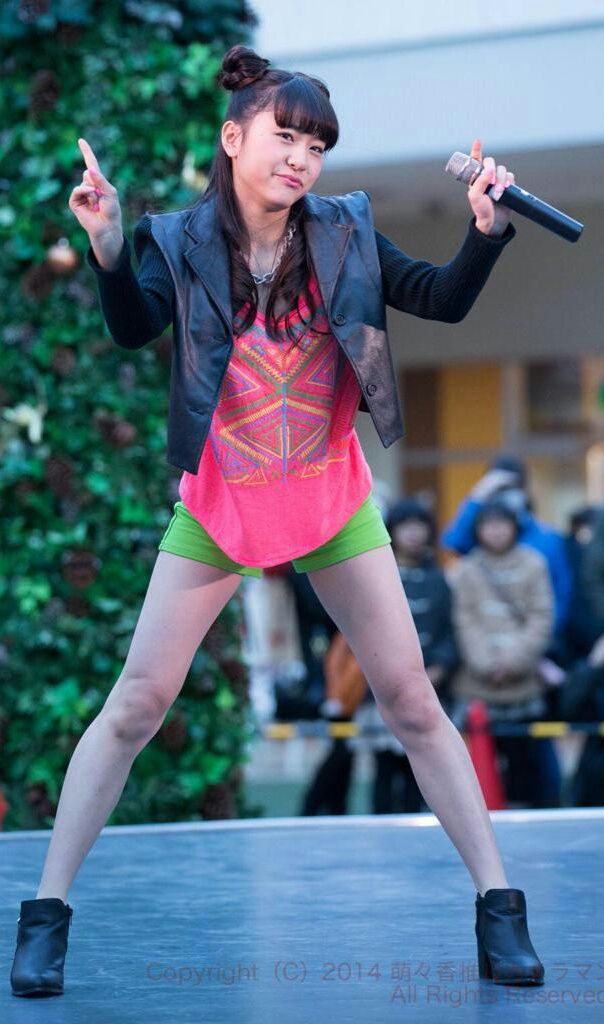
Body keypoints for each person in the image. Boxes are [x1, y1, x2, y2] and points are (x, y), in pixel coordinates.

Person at [10, 43, 544, 997]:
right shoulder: (178, 240)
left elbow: (440, 300)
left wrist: (484, 231)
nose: (301, 158)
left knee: (411, 700)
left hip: (331, 498)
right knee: (136, 704)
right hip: (222, 502)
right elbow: (133, 327)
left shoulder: (345, 231)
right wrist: (108, 243)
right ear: (233, 138)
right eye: (285, 137)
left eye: (316, 145)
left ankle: (499, 907)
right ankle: (45, 915)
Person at [354, 497, 459, 814]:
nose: (413, 533)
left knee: (423, 772)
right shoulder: (374, 576)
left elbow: (450, 632)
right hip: (380, 688)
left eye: (420, 525)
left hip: (430, 688)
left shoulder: (439, 579)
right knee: (384, 772)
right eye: (405, 525)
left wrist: (439, 667)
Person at [448, 500, 556, 808]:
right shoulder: (467, 568)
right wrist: (485, 663)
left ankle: (525, 816)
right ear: (478, 530)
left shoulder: (534, 564)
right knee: (478, 768)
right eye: (489, 524)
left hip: (522, 684)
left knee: (526, 767)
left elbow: (541, 617)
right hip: (476, 685)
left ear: (515, 527)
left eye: (502, 523)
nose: (496, 531)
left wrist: (512, 662)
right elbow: (464, 621)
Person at [440, 454, 573, 641]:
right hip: (486, 642)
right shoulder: (481, 537)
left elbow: (562, 594)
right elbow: (453, 543)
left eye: (511, 487)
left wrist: (542, 640)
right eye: (497, 489)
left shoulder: (547, 538)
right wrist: (477, 497)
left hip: (536, 643)